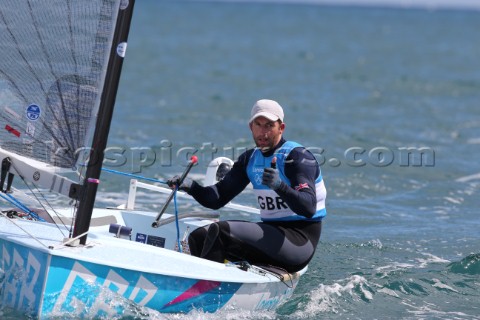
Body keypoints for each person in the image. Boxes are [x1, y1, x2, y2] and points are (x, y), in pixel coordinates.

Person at [167, 99, 327, 273]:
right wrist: (191, 187)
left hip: (299, 240)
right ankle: (198, 287)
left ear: (281, 128)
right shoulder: (249, 159)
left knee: (221, 232)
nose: (263, 132)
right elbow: (218, 197)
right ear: (251, 127)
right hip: (272, 233)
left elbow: (309, 207)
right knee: (198, 237)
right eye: (258, 125)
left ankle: (205, 290)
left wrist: (280, 186)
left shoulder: (297, 157)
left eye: (269, 126)